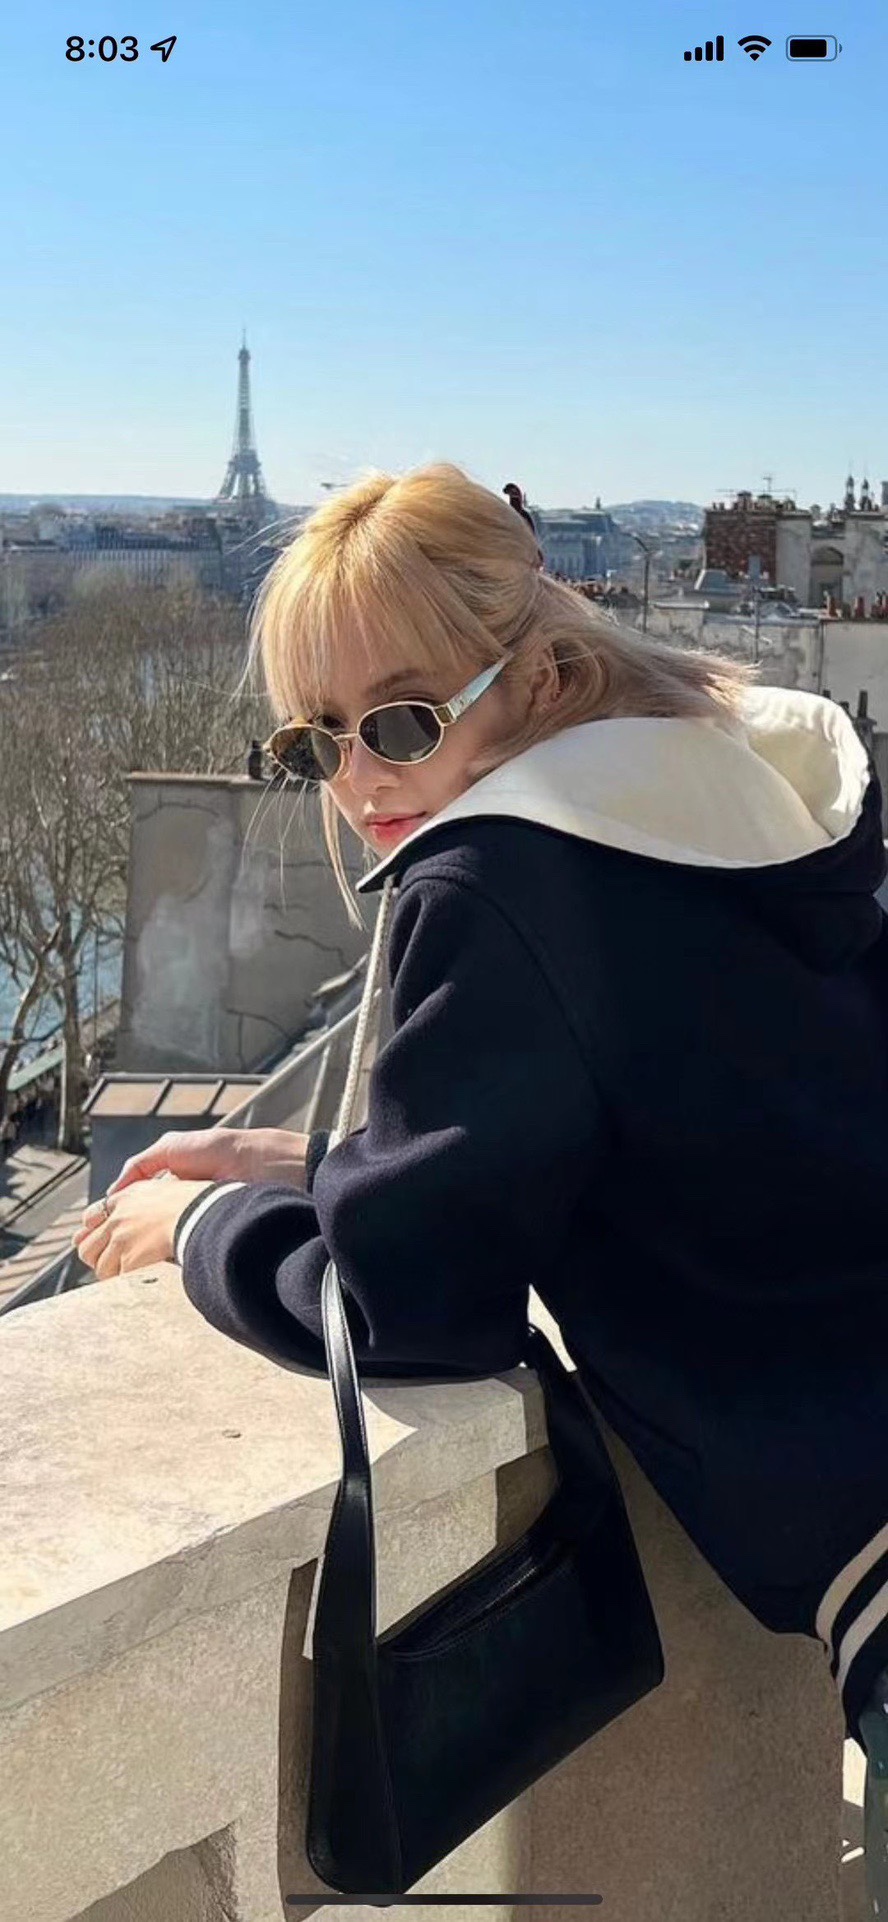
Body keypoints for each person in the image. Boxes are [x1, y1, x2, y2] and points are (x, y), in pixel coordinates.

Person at [73, 460, 888, 1779]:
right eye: (315, 740)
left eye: (399, 723)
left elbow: (408, 1306)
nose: (356, 779)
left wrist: (204, 1224)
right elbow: (668, 1127)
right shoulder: (735, 811)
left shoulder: (495, 878)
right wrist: (327, 1163)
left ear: (543, 679)